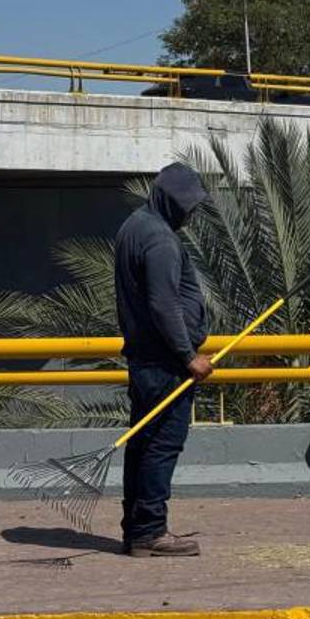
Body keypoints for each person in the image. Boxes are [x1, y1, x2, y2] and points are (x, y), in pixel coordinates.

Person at [114, 162, 214, 556]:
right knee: (162, 445)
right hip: (165, 364)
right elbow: (163, 305)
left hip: (145, 359)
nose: (191, 214)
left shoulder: (133, 227)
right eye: (189, 206)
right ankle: (151, 531)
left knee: (142, 444)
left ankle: (135, 528)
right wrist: (188, 357)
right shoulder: (160, 241)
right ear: (173, 202)